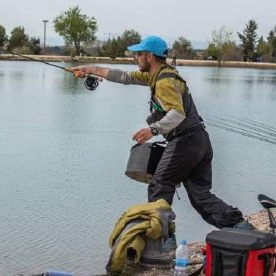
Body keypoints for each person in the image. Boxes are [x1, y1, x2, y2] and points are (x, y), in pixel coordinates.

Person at [71, 35, 252, 230]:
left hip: (186, 141)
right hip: (200, 141)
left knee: (160, 184)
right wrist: (89, 69)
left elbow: (178, 113)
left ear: (149, 57)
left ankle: (158, 241)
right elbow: (122, 76)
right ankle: (241, 229)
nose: (136, 58)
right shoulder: (157, 75)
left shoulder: (164, 81)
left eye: (138, 54)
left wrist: (153, 129)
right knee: (201, 197)